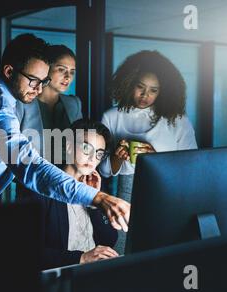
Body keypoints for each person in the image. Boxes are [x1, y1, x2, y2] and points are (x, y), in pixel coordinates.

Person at [0, 33, 130, 230]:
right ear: (9, 71)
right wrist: (98, 197)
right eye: (33, 80)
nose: (39, 89)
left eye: (44, 81)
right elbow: (28, 165)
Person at [99, 50, 198, 202]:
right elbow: (103, 171)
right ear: (129, 83)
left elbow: (191, 165)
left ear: (163, 91)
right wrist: (117, 157)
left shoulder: (177, 119)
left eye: (153, 90)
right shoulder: (111, 117)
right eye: (140, 87)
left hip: (166, 190)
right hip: (125, 194)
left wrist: (155, 160)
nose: (145, 95)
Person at [32, 119, 120, 270]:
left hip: (94, 273)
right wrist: (81, 258)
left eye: (99, 154)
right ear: (69, 147)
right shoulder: (43, 187)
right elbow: (28, 252)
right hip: (62, 278)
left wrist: (94, 204)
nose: (93, 159)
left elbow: (110, 239)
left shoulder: (95, 184)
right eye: (87, 148)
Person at [16, 44, 82, 163]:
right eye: (61, 69)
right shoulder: (23, 103)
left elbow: (81, 145)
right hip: (32, 175)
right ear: (47, 69)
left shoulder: (74, 103)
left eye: (72, 72)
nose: (68, 77)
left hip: (65, 176)